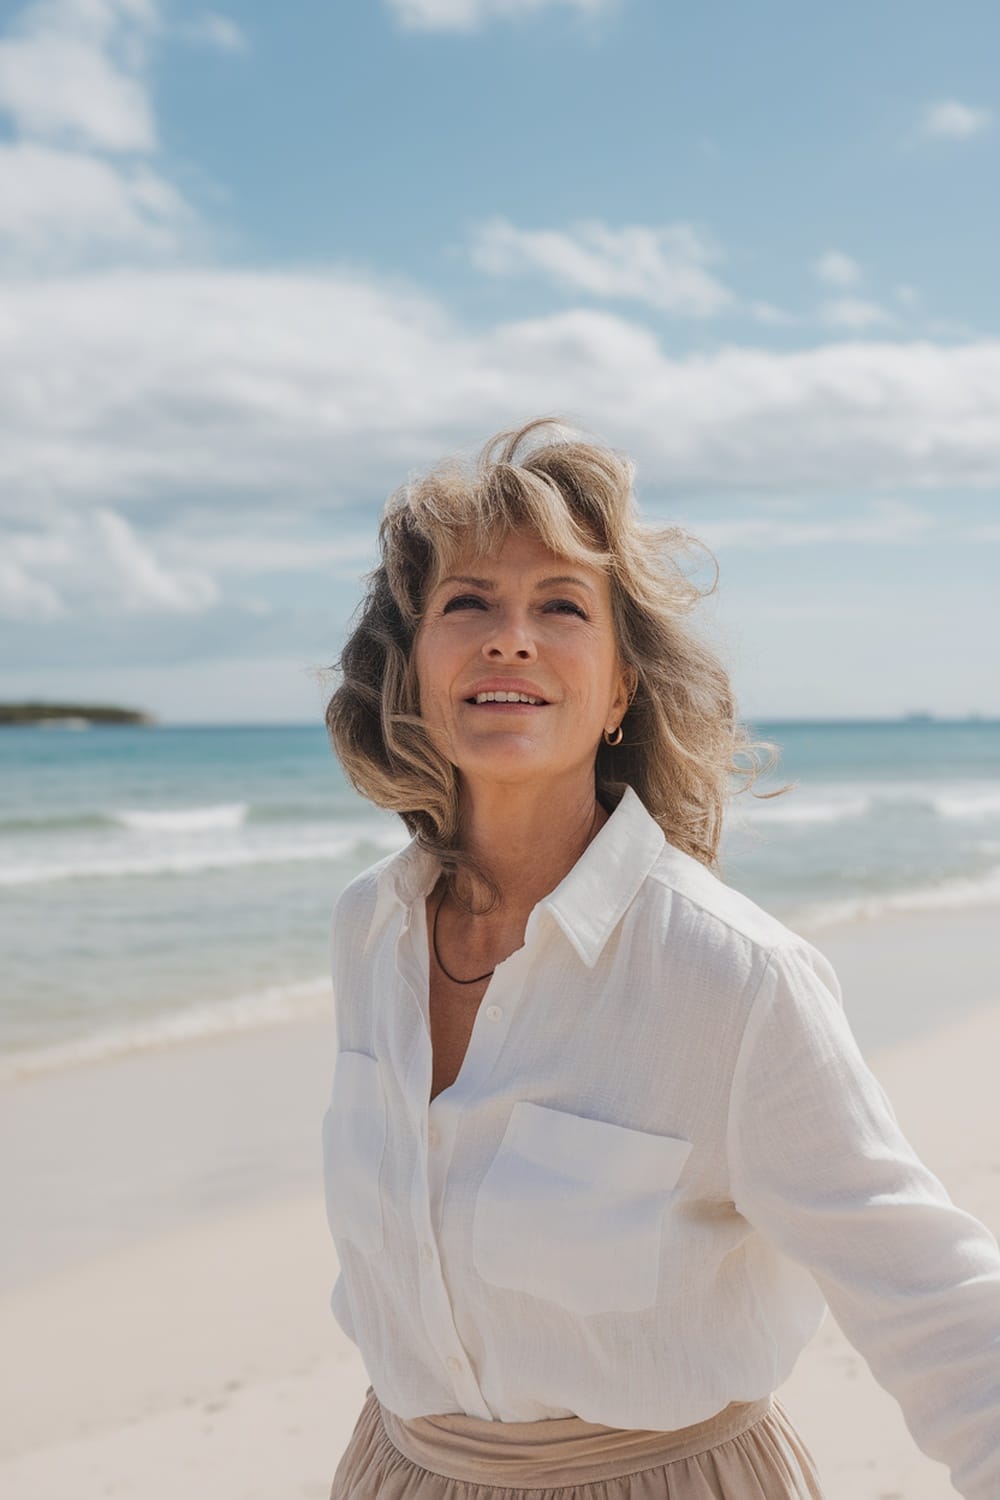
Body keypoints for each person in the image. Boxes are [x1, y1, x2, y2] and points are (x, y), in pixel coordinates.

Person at [320, 416, 1000, 1499]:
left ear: (622, 687)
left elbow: (929, 1292)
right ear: (411, 670)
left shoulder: (731, 978)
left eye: (560, 605)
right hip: (398, 1472)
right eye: (467, 604)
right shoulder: (370, 931)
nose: (510, 638)